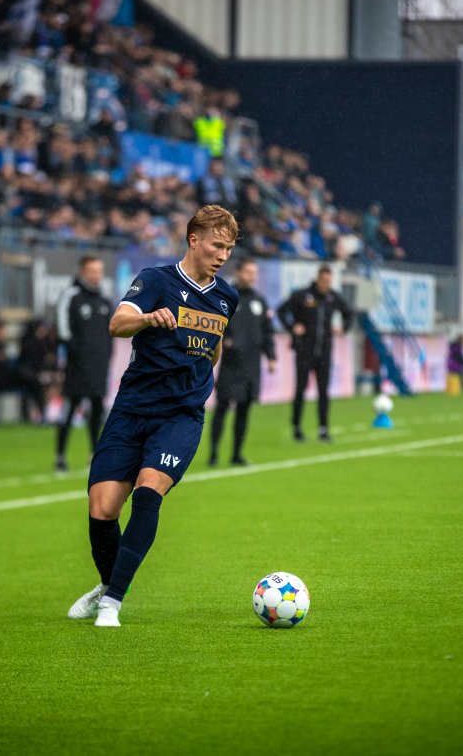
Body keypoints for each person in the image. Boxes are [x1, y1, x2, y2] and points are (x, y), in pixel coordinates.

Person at [68, 204, 240, 627]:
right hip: (132, 410)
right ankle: (108, 585)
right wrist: (146, 318)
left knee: (149, 491)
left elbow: (214, 345)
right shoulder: (156, 280)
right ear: (193, 240)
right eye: (216, 246)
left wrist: (197, 377)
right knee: (102, 508)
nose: (223, 255)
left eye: (229, 249)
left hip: (180, 416)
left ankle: (112, 602)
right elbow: (118, 323)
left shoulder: (226, 297)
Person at [208, 258, 276, 467]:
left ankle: (237, 454)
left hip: (251, 365)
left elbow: (267, 331)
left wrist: (271, 356)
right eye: (248, 272)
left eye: (255, 272)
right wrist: (224, 340)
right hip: (231, 364)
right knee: (222, 408)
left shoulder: (259, 301)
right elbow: (213, 324)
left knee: (244, 410)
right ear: (238, 272)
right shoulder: (226, 297)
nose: (252, 276)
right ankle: (213, 453)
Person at [277, 264, 354, 443]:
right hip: (304, 351)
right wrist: (292, 327)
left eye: (329, 280)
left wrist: (343, 328)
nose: (326, 283)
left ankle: (323, 429)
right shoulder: (303, 295)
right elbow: (281, 311)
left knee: (323, 391)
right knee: (300, 389)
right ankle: (297, 427)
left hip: (325, 352)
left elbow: (349, 313)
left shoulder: (333, 297)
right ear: (318, 278)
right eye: (324, 280)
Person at [54, 255, 114, 472]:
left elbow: (111, 333)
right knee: (69, 410)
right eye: (92, 271)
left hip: (99, 367)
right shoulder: (71, 297)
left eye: (99, 271)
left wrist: (105, 356)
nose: (96, 275)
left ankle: (94, 455)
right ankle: (60, 456)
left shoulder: (105, 301)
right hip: (77, 367)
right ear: (82, 272)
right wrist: (77, 354)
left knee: (97, 411)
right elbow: (62, 331)